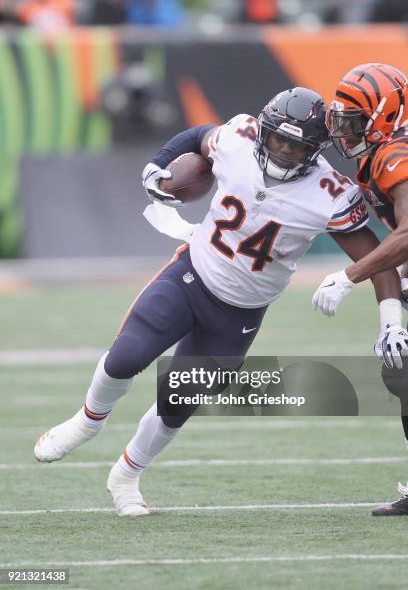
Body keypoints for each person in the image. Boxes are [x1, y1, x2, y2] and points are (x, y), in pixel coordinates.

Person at [34, 86, 403, 517]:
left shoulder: (330, 193)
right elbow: (198, 137)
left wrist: (390, 320)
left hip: (240, 311)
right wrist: (156, 166)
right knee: (125, 357)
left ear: (316, 149)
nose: (283, 151)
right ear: (262, 130)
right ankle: (85, 423)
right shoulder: (240, 137)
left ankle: (127, 476)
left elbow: (379, 262)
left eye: (295, 145)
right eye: (277, 139)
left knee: (179, 400)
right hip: (192, 275)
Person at [312, 62, 408, 515]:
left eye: (353, 122)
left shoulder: (396, 154)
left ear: (384, 117)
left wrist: (347, 277)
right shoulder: (382, 154)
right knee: (401, 372)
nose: (344, 132)